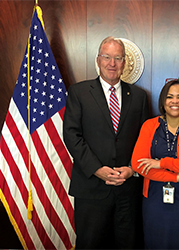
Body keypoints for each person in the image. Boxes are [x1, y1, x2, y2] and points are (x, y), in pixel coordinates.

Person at [63, 36, 149, 250]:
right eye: (107, 57)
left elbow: (144, 139)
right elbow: (72, 135)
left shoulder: (139, 96)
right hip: (91, 188)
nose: (112, 63)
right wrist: (97, 169)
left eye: (118, 58)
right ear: (98, 59)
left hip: (127, 190)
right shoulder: (79, 92)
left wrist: (132, 169)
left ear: (124, 62)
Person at [131, 79, 179, 250]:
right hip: (154, 201)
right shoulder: (149, 125)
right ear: (163, 101)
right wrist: (174, 176)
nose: (175, 101)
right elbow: (138, 165)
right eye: (170, 97)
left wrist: (161, 164)